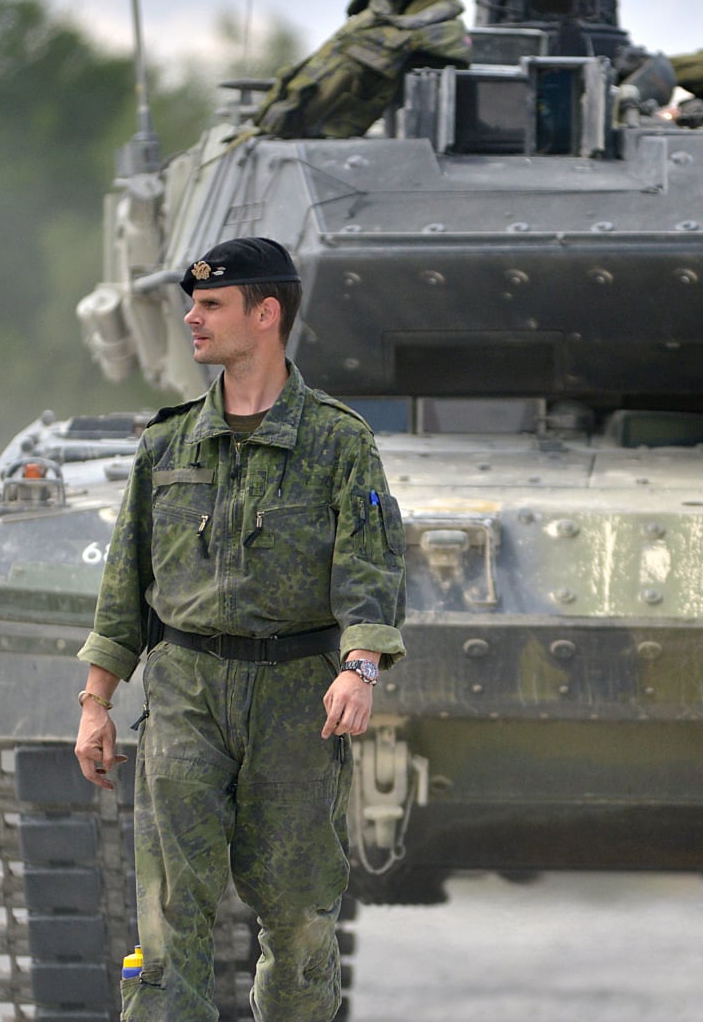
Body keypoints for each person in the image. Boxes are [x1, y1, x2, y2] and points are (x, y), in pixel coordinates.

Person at [73, 236, 405, 1022]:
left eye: (211, 304)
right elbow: (127, 581)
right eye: (192, 303)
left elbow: (371, 563)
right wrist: (96, 700)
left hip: (295, 699)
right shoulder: (167, 444)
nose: (191, 317)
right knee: (166, 917)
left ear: (266, 313)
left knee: (297, 923)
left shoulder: (338, 441)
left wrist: (359, 666)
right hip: (186, 691)